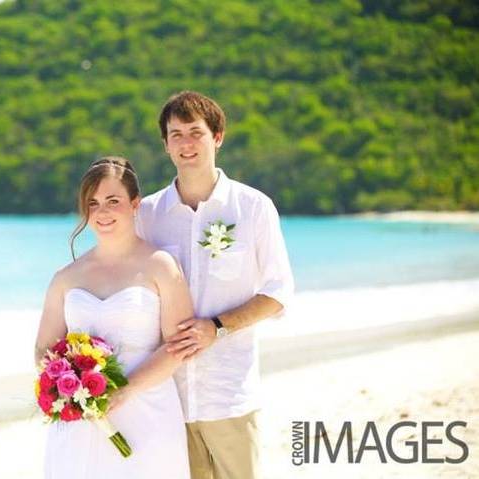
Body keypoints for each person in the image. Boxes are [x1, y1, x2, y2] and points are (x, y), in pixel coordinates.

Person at [136, 91, 295, 479]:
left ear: (218, 137)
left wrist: (216, 327)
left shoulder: (252, 207)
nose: (186, 144)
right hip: (166, 401)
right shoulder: (147, 215)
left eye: (196, 132)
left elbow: (277, 293)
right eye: (176, 135)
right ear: (165, 145)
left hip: (230, 397)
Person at [35, 157, 193, 479]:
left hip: (147, 410)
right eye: (93, 203)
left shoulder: (160, 265)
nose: (102, 212)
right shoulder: (66, 277)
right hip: (83, 419)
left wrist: (124, 390)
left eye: (113, 201)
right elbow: (43, 350)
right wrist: (69, 387)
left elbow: (179, 345)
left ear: (135, 204)